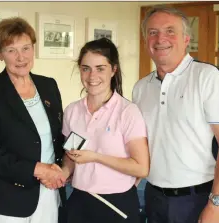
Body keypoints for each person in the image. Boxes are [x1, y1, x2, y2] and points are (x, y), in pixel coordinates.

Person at [132, 6, 219, 223]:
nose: (160, 38)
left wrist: (217, 203)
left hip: (198, 199)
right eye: (153, 32)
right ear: (146, 40)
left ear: (186, 39)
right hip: (153, 197)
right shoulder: (140, 88)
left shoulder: (207, 76)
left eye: (169, 31)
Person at [0, 17, 66, 223]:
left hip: (48, 194)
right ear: (0, 54)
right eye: (11, 50)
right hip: (7, 198)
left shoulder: (49, 85)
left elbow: (56, 138)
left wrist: (64, 168)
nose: (20, 57)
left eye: (26, 48)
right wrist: (37, 169)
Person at [58, 38, 150, 223]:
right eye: (86, 68)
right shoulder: (72, 111)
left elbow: (141, 167)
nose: (92, 76)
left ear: (113, 69)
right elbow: (71, 156)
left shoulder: (127, 112)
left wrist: (95, 157)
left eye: (100, 68)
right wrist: (62, 173)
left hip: (117, 204)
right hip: (79, 201)